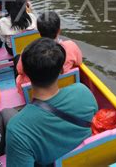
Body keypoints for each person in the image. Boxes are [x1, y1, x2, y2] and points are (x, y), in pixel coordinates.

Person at [6, 38, 98, 166]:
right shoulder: (83, 92)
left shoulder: (17, 129)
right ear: (61, 70)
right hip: (87, 160)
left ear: (26, 74)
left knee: (7, 114)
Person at [15, 11, 82, 94]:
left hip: (33, 93)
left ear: (39, 32)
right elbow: (79, 62)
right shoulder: (71, 46)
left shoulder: (28, 51)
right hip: (65, 88)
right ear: (59, 31)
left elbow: (20, 71)